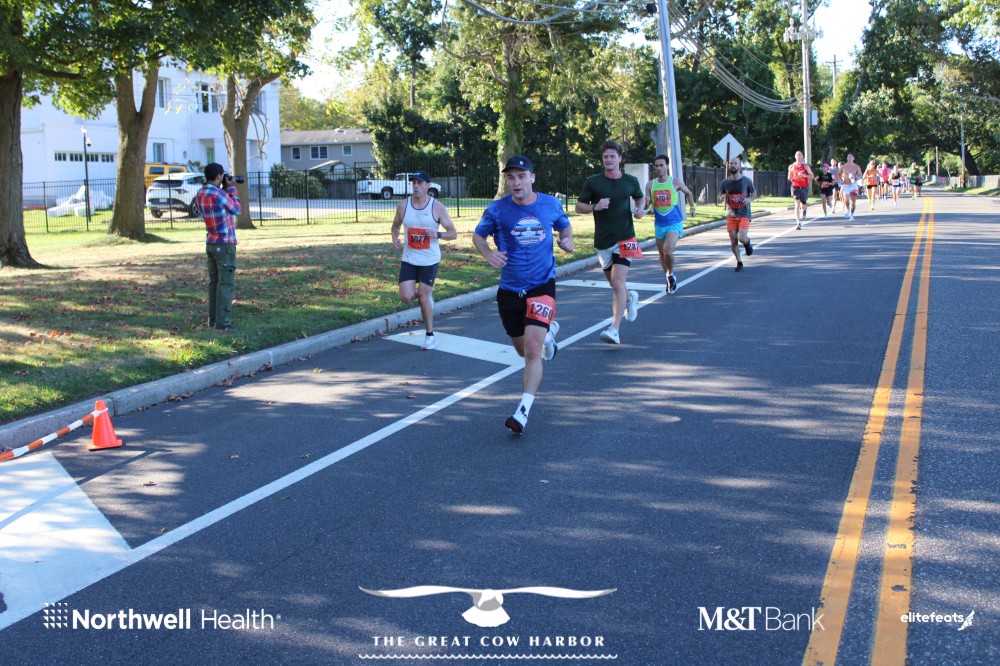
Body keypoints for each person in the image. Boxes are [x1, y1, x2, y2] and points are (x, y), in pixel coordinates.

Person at [473, 155, 574, 435]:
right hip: (509, 290)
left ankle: (523, 411)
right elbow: (478, 237)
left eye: (521, 176)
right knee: (522, 350)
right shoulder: (497, 209)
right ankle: (548, 332)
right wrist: (488, 253)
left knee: (532, 351)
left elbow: (564, 225)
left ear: (532, 177)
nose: (516, 182)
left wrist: (567, 239)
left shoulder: (550, 204)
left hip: (541, 285)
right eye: (511, 177)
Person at [576, 140, 645, 344]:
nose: (608, 159)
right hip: (603, 241)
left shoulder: (631, 181)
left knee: (617, 282)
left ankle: (614, 329)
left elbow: (640, 198)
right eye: (605, 156)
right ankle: (630, 298)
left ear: (620, 159)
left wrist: (640, 209)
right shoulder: (593, 182)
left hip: (626, 237)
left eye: (612, 156)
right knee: (615, 285)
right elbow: (579, 207)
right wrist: (595, 207)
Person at [390, 171, 458, 351]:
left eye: (420, 183)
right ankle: (425, 298)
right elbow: (395, 225)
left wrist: (438, 234)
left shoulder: (437, 207)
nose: (416, 186)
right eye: (414, 183)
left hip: (429, 260)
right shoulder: (403, 205)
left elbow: (453, 233)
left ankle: (430, 336)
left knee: (423, 296)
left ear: (428, 185)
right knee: (406, 297)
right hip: (409, 258)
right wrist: (395, 238)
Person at [196, 163, 241, 330]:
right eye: (222, 175)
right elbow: (237, 209)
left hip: (211, 242)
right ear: (218, 176)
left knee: (214, 283)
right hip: (225, 243)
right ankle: (223, 323)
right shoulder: (219, 194)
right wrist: (232, 189)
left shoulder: (200, 193)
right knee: (226, 283)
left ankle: (213, 320)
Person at [644, 154, 694, 293]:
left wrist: (692, 207)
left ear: (667, 166)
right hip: (659, 224)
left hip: (674, 222)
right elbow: (646, 206)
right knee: (661, 254)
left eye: (661, 165)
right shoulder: (650, 185)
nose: (659, 168)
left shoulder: (675, 182)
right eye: (656, 166)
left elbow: (689, 193)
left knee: (667, 251)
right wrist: (646, 203)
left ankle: (670, 275)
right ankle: (669, 277)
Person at [718, 158, 755, 272]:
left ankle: (747, 244)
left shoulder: (746, 181)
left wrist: (748, 199)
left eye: (735, 163)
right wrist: (721, 197)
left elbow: (754, 193)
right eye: (731, 164)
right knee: (733, 240)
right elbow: (720, 194)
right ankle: (739, 262)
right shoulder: (725, 182)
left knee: (741, 237)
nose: (733, 165)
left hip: (743, 214)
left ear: (740, 166)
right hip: (731, 215)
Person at [787, 150, 814, 229]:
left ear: (802, 157)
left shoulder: (806, 166)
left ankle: (804, 209)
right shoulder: (791, 167)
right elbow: (789, 177)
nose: (798, 157)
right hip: (795, 186)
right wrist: (793, 178)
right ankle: (798, 223)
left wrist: (804, 175)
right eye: (797, 155)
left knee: (803, 204)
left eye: (800, 155)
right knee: (797, 203)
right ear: (795, 157)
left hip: (804, 187)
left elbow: (812, 176)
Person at [838, 153, 863, 221]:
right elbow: (839, 174)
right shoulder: (843, 166)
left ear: (853, 158)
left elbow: (860, 175)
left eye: (851, 156)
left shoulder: (856, 166)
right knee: (846, 200)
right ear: (847, 158)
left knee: (853, 202)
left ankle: (851, 215)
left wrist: (856, 179)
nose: (849, 158)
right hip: (846, 184)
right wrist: (841, 180)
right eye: (848, 156)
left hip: (853, 185)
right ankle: (847, 208)